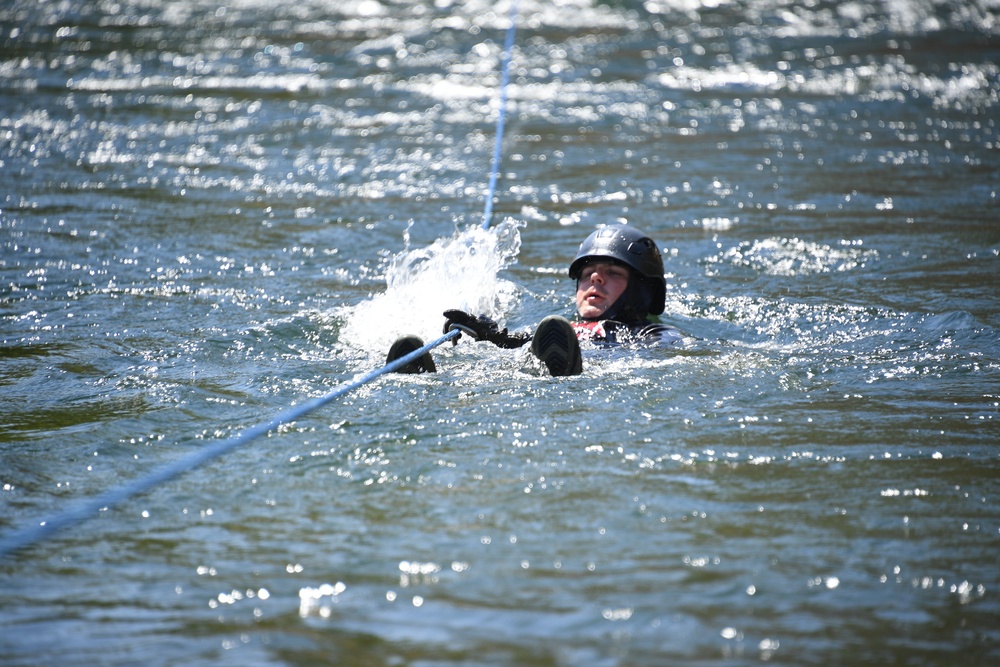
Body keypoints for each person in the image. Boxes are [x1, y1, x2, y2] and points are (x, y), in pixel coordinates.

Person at [386, 224, 683, 376]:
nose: (595, 278)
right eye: (588, 272)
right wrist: (493, 336)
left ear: (642, 289)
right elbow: (524, 342)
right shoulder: (560, 329)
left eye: (612, 272)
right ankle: (426, 382)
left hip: (592, 374)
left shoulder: (650, 333)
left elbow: (665, 356)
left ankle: (560, 370)